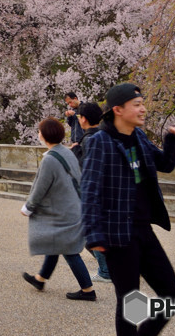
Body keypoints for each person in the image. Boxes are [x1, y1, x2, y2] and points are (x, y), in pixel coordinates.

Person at [81, 83, 175, 336]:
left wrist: (173, 140)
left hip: (143, 229)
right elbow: (89, 190)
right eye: (137, 105)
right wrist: (93, 235)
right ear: (118, 109)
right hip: (117, 236)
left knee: (173, 297)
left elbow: (164, 164)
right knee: (130, 304)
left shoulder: (138, 136)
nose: (143, 109)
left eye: (142, 104)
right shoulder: (100, 142)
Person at [20, 117, 95, 301]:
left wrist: (28, 207)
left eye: (39, 131)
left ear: (45, 135)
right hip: (72, 206)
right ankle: (40, 279)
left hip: (63, 212)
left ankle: (88, 290)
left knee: (69, 251)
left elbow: (40, 188)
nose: (38, 134)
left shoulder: (49, 160)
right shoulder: (66, 152)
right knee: (55, 243)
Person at [66, 101, 110, 284]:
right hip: (105, 193)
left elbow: (87, 167)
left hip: (93, 194)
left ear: (83, 119)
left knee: (88, 233)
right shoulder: (104, 135)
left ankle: (106, 271)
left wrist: (75, 151)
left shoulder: (91, 139)